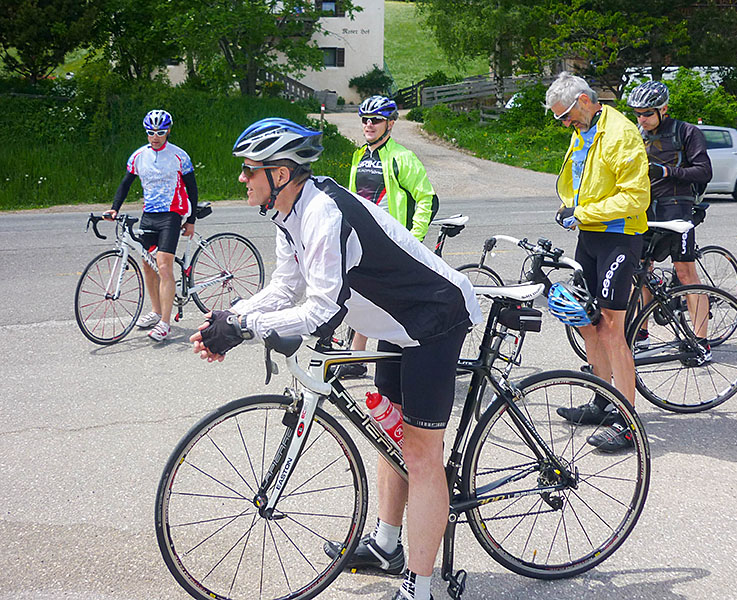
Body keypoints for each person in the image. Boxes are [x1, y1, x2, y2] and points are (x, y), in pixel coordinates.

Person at [189, 118, 481, 600]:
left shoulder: (323, 213)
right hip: (394, 327)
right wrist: (230, 315)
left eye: (249, 170)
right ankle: (389, 545)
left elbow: (323, 307)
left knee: (423, 454)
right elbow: (286, 287)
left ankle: (422, 587)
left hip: (432, 319)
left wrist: (242, 328)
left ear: (279, 174)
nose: (242, 179)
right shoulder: (288, 213)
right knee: (395, 436)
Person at [544, 72, 650, 452]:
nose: (564, 124)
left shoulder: (621, 134)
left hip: (619, 237)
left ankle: (628, 422)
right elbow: (584, 183)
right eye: (560, 119)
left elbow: (636, 199)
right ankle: (603, 401)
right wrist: (570, 208)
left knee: (610, 329)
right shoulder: (583, 130)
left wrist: (583, 211)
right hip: (590, 237)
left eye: (566, 116)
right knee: (586, 323)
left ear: (585, 101)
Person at [337, 95, 439, 379]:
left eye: (376, 120)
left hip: (393, 243)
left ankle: (411, 356)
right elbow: (354, 199)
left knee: (389, 299)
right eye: (365, 120)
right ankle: (357, 356)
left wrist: (413, 239)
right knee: (361, 293)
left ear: (390, 124)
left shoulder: (401, 157)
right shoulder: (360, 156)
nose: (369, 125)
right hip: (363, 240)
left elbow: (426, 198)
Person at [627, 80, 713, 363]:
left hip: (677, 208)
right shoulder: (636, 134)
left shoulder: (686, 132)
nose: (642, 119)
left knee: (685, 271)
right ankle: (641, 335)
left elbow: (703, 172)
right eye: (638, 113)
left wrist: (666, 171)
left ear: (664, 109)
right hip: (644, 210)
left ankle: (700, 342)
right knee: (639, 271)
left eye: (647, 113)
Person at [103, 109, 198, 341]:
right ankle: (156, 311)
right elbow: (126, 184)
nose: (155, 137)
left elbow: (192, 189)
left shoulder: (179, 156)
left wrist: (191, 219)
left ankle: (165, 322)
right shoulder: (138, 156)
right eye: (150, 132)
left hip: (171, 215)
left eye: (160, 132)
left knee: (164, 267)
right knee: (148, 265)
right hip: (149, 216)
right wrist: (115, 208)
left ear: (168, 131)